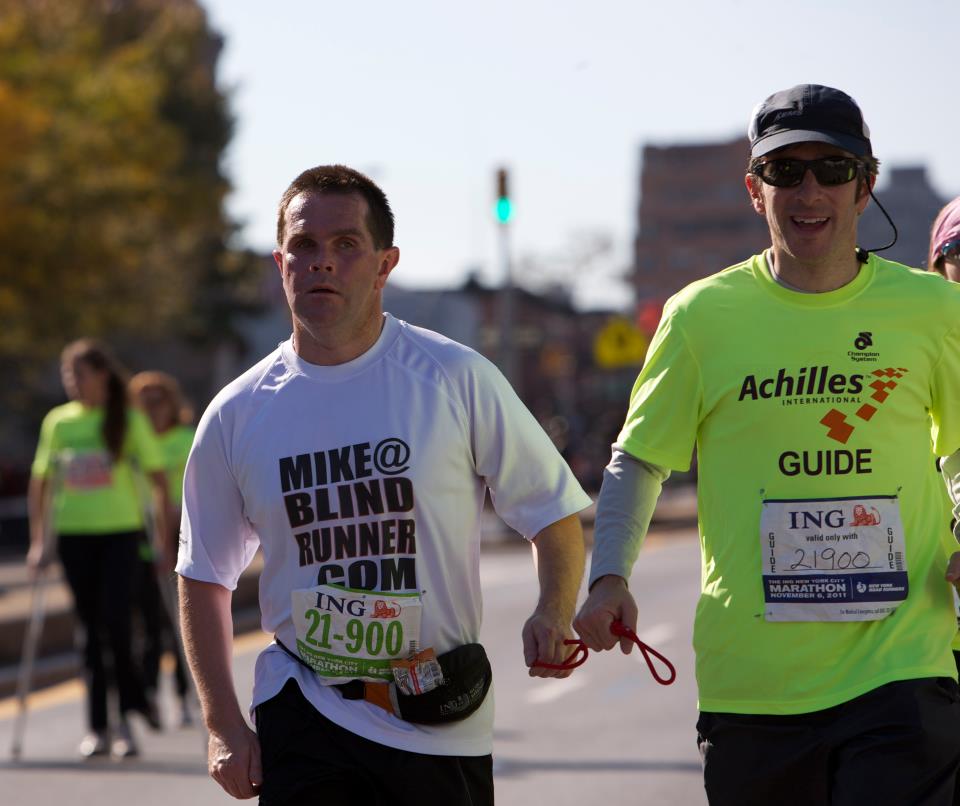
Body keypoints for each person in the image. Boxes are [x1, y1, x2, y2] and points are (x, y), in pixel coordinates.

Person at [574, 85, 960, 805]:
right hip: (753, 686)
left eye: (833, 169)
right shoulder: (700, 318)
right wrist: (608, 577)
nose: (808, 190)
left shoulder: (935, 312)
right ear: (756, 191)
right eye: (786, 171)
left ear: (865, 184)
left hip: (901, 668)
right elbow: (641, 459)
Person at [176, 164, 591, 804]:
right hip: (304, 706)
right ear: (279, 262)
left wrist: (553, 610)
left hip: (437, 715)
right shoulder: (237, 413)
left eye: (346, 245)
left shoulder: (454, 377)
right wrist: (223, 725)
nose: (322, 262)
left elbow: (553, 511)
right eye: (305, 246)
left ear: (384, 263)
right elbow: (204, 574)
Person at [28, 339, 171, 759]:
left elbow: (159, 480)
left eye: (80, 374)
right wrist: (39, 541)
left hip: (121, 533)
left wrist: (163, 539)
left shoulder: (127, 419)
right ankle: (99, 726)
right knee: (89, 631)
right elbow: (41, 481)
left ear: (102, 375)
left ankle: (128, 714)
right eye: (67, 376)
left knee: (116, 622)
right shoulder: (58, 422)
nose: (73, 383)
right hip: (74, 536)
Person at [130, 370, 196, 727]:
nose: (152, 408)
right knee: (146, 624)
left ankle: (186, 695)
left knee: (179, 623)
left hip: (180, 538)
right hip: (141, 539)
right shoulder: (132, 441)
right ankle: (150, 694)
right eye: (144, 401)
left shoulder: (186, 438)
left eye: (158, 400)